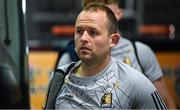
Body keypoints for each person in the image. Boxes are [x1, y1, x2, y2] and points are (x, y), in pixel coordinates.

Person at [57, 0, 176, 109]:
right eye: (79, 31)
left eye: (93, 32)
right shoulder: (63, 71)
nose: (84, 38)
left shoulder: (138, 58)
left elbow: (166, 102)